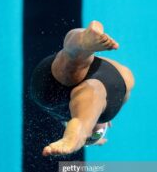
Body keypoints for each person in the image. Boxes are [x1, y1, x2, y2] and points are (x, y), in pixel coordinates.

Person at [30, 21, 135, 156]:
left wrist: (94, 138)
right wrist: (94, 139)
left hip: (50, 91)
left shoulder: (119, 84)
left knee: (70, 62)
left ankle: (83, 41)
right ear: (108, 125)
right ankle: (83, 43)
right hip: (106, 88)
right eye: (96, 134)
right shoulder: (116, 88)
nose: (95, 131)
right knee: (91, 89)